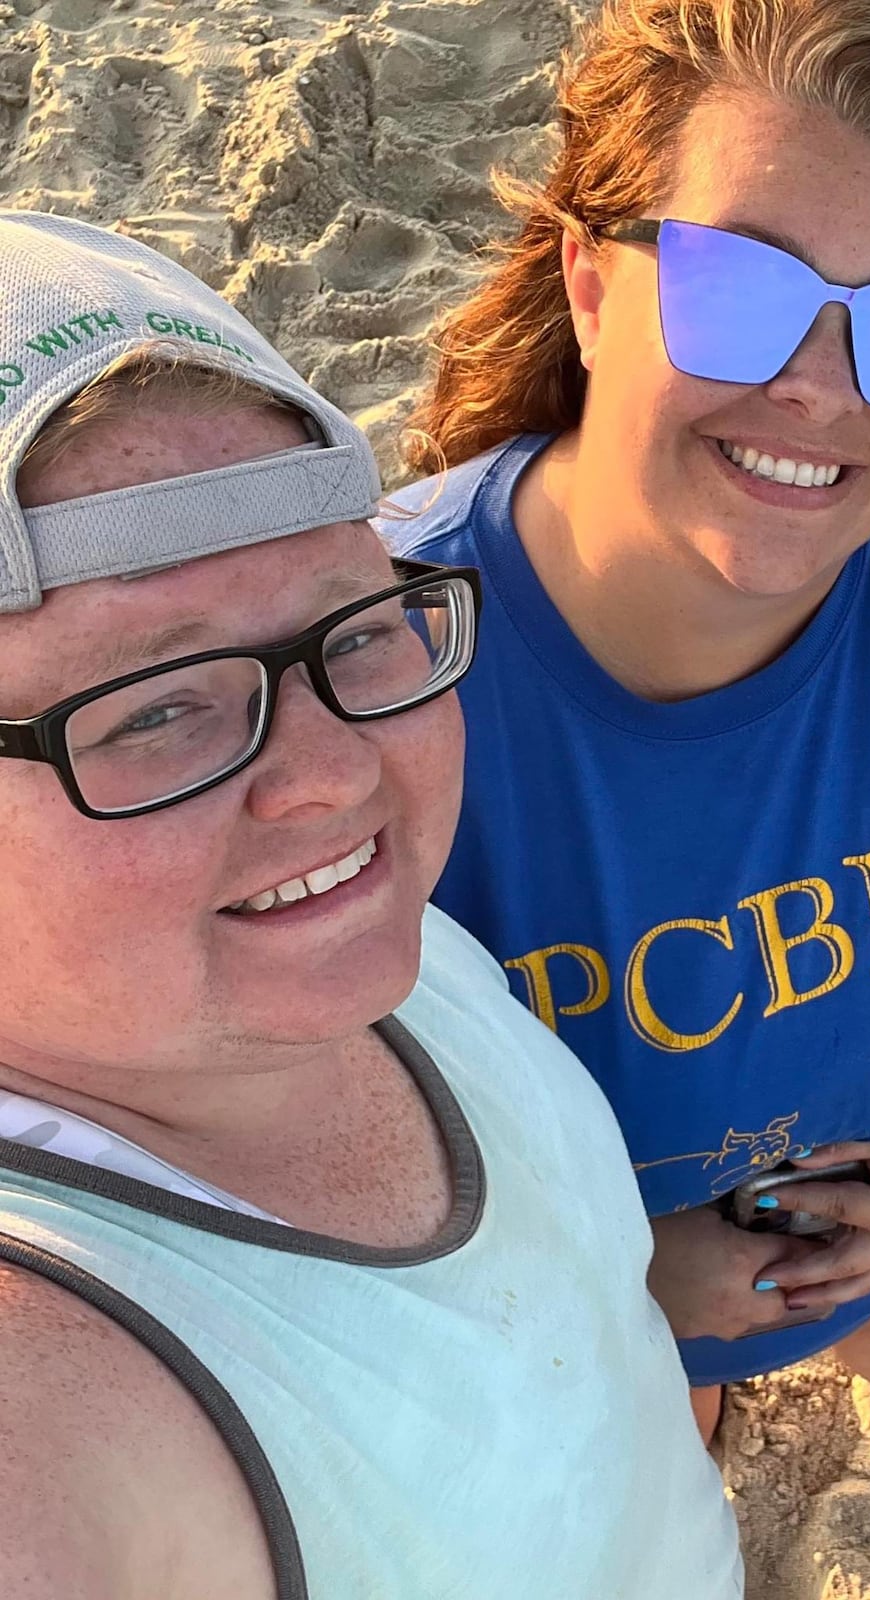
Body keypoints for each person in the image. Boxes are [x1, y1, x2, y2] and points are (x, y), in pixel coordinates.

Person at [381, 0, 870, 1525]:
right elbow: (256, 1154)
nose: (821, 388)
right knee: (664, 1462)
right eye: (739, 290)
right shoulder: (379, 689)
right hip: (582, 1326)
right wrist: (617, 1257)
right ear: (591, 289)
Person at [0, 212, 743, 1599]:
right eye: (157, 707)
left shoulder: (355, 947)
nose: (337, 773)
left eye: (354, 625)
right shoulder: (51, 1420)